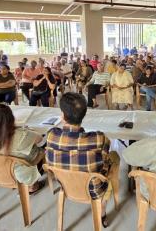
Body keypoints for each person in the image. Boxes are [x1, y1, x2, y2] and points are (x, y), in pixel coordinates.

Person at [46, 93, 120, 227]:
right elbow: (106, 152)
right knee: (114, 157)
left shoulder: (51, 135)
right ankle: (102, 210)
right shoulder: (98, 138)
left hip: (64, 184)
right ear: (84, 115)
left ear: (62, 115)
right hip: (93, 189)